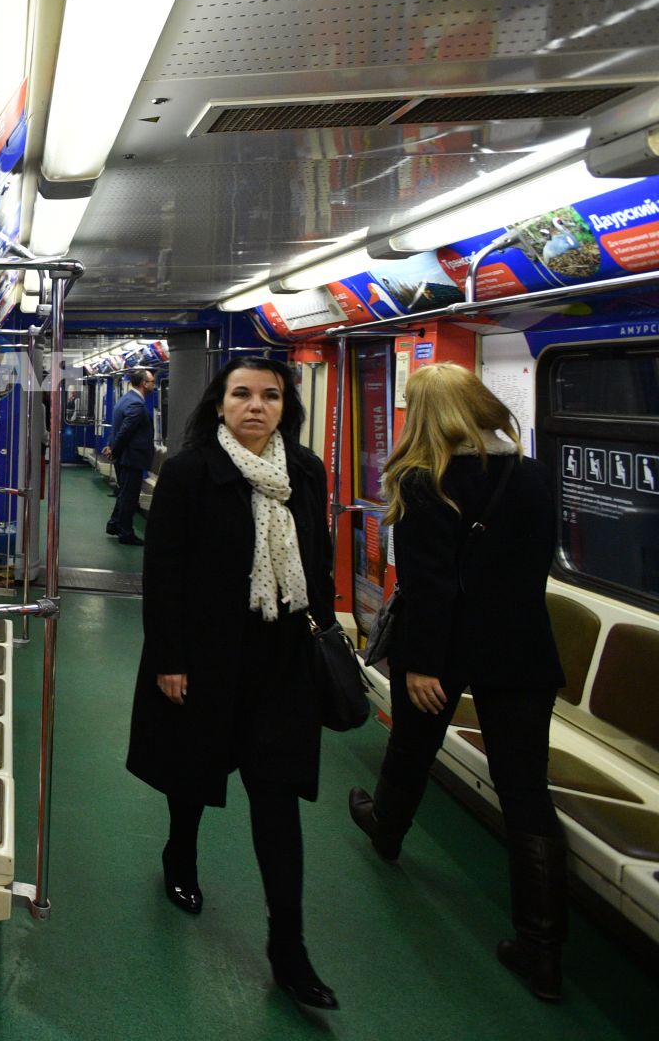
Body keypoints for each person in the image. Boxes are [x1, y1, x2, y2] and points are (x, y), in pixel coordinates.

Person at [346, 363, 568, 1001]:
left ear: (424, 414)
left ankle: (386, 831)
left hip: (445, 648)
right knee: (525, 790)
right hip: (522, 646)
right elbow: (530, 568)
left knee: (413, 744)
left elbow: (431, 585)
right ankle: (543, 949)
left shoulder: (424, 481)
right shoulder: (531, 475)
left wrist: (420, 663)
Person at [126, 357, 340, 1010]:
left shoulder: (304, 472)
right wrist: (169, 657)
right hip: (205, 657)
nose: (256, 406)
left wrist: (324, 639)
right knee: (193, 775)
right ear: (219, 404)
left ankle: (289, 948)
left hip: (280, 662)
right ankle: (180, 854)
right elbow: (163, 573)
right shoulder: (191, 472)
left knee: (276, 801)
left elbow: (318, 560)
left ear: (285, 406)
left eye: (269, 396)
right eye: (241, 394)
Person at [102, 367, 157, 545]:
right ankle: (126, 533)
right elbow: (125, 431)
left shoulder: (124, 400)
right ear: (143, 384)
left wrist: (111, 446)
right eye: (152, 382)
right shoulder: (137, 404)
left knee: (125, 493)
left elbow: (116, 427)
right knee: (129, 496)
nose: (154, 385)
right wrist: (114, 449)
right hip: (131, 457)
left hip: (124, 456)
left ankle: (114, 524)